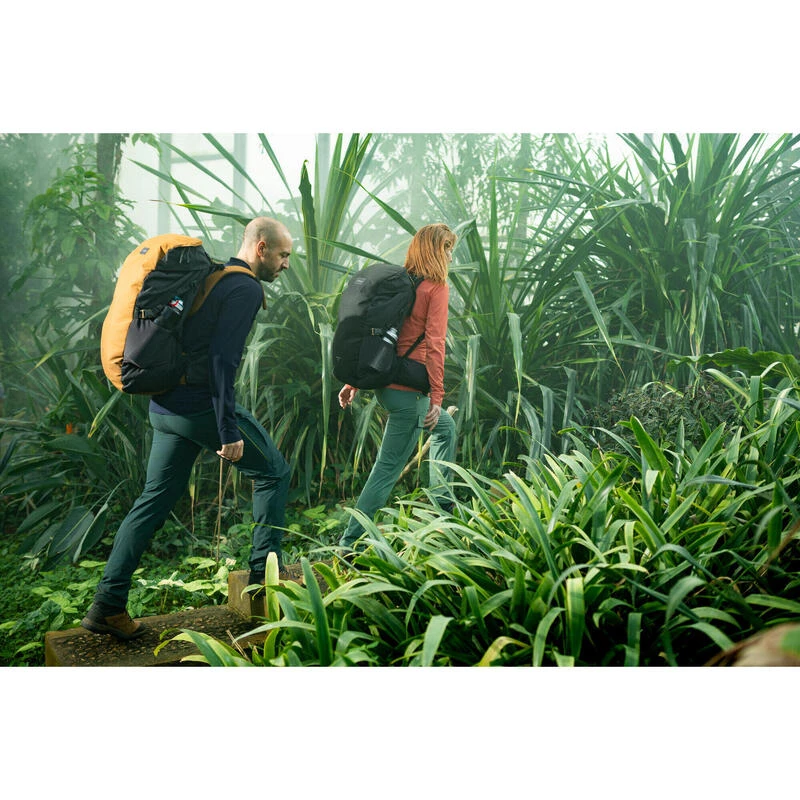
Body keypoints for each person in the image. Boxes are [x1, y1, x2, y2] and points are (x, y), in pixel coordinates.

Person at [81, 217, 293, 640]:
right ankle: (264, 584)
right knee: (274, 472)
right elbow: (222, 361)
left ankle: (107, 605)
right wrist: (228, 428)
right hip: (198, 407)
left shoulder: (212, 275)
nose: (286, 264)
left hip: (165, 407)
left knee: (152, 502)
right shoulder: (245, 287)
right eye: (283, 255)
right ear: (261, 248)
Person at [338, 223, 458, 554]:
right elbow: (435, 344)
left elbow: (381, 335)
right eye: (447, 248)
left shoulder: (401, 284)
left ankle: (442, 506)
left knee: (446, 429)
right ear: (435, 251)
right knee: (387, 469)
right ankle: (349, 543)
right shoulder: (436, 288)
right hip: (409, 392)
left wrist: (355, 381)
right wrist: (437, 396)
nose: (451, 256)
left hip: (386, 383)